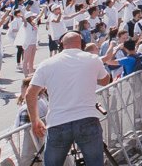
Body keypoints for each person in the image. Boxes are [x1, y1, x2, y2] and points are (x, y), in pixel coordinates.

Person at [26, 31, 111, 166]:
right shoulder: (92, 59)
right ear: (82, 45)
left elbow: (30, 94)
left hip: (58, 122)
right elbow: (105, 81)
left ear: (61, 45)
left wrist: (34, 120)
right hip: (87, 119)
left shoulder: (46, 64)